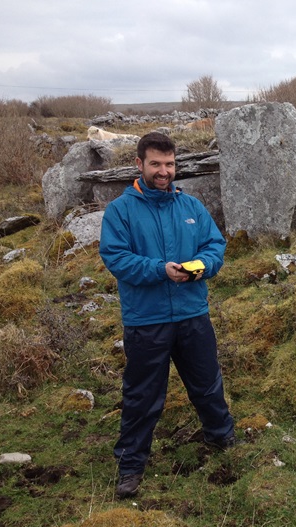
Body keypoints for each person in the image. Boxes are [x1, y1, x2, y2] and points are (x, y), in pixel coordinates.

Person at [100, 132, 236, 499]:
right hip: (147, 320)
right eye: (156, 164)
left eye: (170, 164)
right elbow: (117, 259)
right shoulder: (120, 211)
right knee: (143, 396)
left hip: (193, 313)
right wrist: (162, 269)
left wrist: (203, 266)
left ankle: (222, 438)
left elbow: (215, 246)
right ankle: (130, 466)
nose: (164, 171)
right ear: (140, 164)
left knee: (207, 384)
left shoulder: (191, 207)